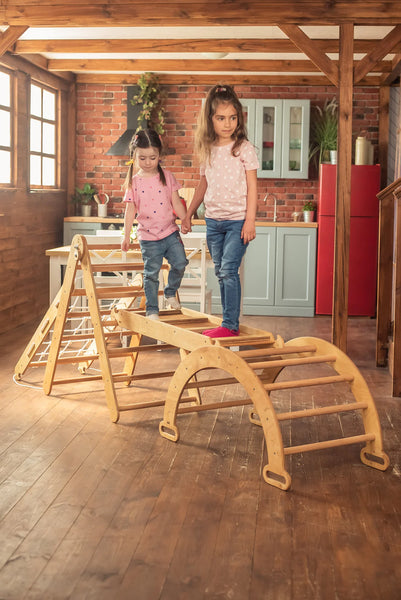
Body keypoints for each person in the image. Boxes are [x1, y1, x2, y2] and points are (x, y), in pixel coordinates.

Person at [181, 84, 259, 337]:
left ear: (239, 118)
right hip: (213, 222)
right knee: (220, 272)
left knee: (228, 270)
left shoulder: (244, 148)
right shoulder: (207, 149)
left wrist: (250, 222)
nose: (227, 124)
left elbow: (253, 187)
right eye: (221, 118)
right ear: (210, 120)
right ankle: (227, 323)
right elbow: (203, 184)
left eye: (232, 118)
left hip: (237, 222)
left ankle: (229, 325)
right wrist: (188, 213)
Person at [121, 129, 188, 320]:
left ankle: (170, 291)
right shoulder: (134, 182)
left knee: (181, 262)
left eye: (153, 157)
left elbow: (176, 202)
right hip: (148, 238)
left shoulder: (167, 176)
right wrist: (126, 236)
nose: (148, 162)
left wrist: (185, 219)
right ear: (134, 156)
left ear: (159, 155)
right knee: (151, 275)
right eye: (142, 158)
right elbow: (130, 212)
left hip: (170, 232)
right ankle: (152, 310)